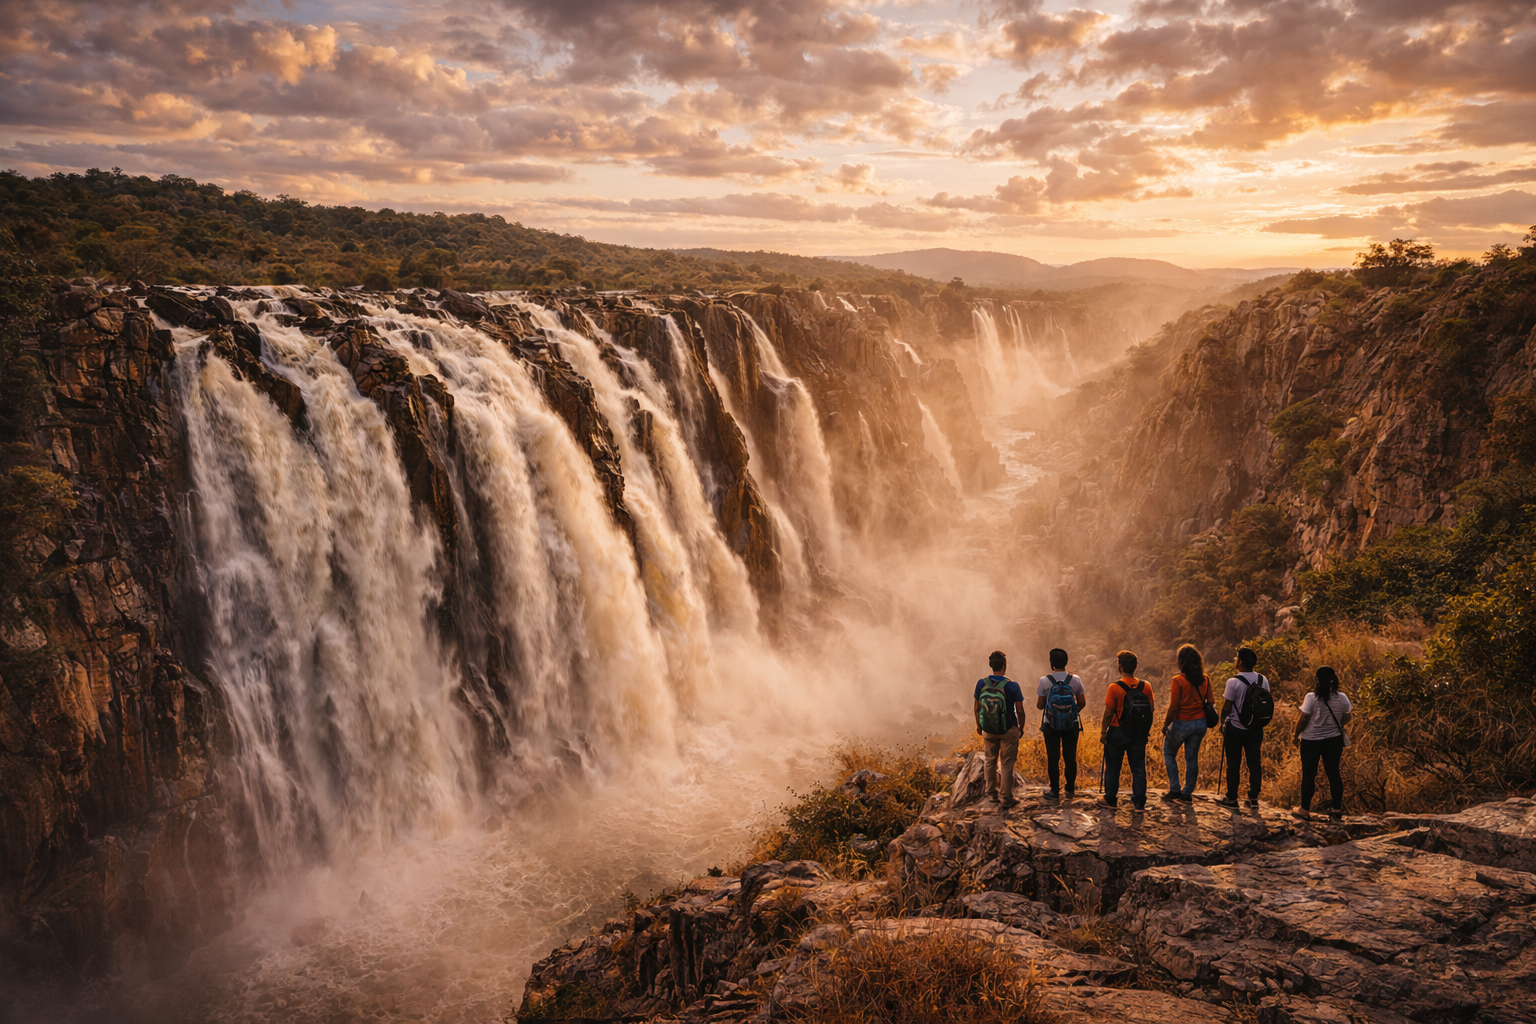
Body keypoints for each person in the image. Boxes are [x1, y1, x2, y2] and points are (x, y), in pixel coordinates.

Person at [1292, 666, 1352, 821]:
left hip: (1311, 741)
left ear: (1317, 679)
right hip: (1333, 741)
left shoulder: (1311, 698)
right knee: (1334, 775)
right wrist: (1336, 724)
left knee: (1309, 775)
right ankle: (1336, 810)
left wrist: (1295, 735)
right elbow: (1347, 717)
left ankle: (1304, 810)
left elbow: (1304, 719)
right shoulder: (1342, 697)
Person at [1217, 647, 1272, 808]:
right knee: (1254, 762)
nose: (1235, 660)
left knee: (1233, 762)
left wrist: (1222, 723)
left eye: (1236, 658)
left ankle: (1232, 798)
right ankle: (1253, 798)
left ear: (1240, 662)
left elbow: (1227, 706)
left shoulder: (1233, 682)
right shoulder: (1263, 680)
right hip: (1255, 728)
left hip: (1236, 727)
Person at [1099, 650, 1155, 810]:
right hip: (1138, 733)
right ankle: (1139, 801)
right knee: (1138, 766)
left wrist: (1103, 732)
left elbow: (1109, 712)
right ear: (1135, 667)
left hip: (1117, 731)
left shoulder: (1114, 687)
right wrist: (1145, 731)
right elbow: (1150, 710)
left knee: (1113, 766)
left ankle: (1110, 799)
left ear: (1120, 666)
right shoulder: (1146, 686)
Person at [974, 650, 1026, 809]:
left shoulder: (981, 683)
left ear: (991, 666)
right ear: (1004, 665)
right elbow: (1020, 710)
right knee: (1007, 763)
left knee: (990, 761)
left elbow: (976, 708)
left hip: (988, 729)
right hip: (1008, 729)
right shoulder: (1012, 685)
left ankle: (990, 795)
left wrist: (979, 725)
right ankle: (1006, 798)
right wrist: (1020, 728)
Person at [1161, 643, 1213, 803]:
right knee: (1192, 758)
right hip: (1200, 724)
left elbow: (1174, 706)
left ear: (1181, 661)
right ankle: (1187, 792)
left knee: (1169, 753)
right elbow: (1211, 701)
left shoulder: (1177, 680)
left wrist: (1165, 724)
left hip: (1182, 723)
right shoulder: (1206, 679)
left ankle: (1175, 789)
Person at [1036, 648, 1087, 800]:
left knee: (1053, 757)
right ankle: (1070, 789)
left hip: (1050, 725)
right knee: (1070, 756)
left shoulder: (1044, 681)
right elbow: (1082, 702)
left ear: (1051, 663)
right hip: (1071, 725)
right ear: (1066, 662)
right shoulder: (1075, 680)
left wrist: (1054, 712)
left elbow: (1040, 705)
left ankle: (1054, 790)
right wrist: (1070, 713)